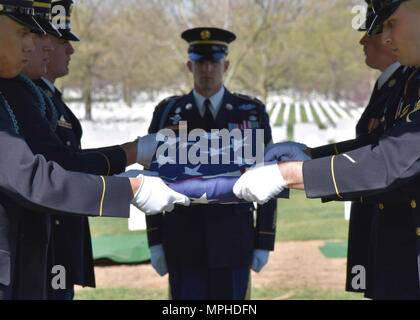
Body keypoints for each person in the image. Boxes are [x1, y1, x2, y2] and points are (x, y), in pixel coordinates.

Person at [0, 0, 190, 299]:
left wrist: (134, 155)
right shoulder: (16, 91)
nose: (37, 46)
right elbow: (35, 177)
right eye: (26, 32)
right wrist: (131, 186)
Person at [234, 0, 420, 299]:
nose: (384, 37)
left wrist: (289, 174)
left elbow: (388, 161)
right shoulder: (412, 79)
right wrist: (309, 156)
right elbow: (381, 143)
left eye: (392, 23)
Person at [145, 27, 276, 300]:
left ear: (225, 65)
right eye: (200, 63)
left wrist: (264, 240)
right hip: (182, 240)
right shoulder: (168, 112)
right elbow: (152, 178)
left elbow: (268, 177)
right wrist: (155, 240)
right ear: (190, 65)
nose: (207, 70)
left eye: (213, 63)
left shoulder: (250, 112)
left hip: (233, 241)